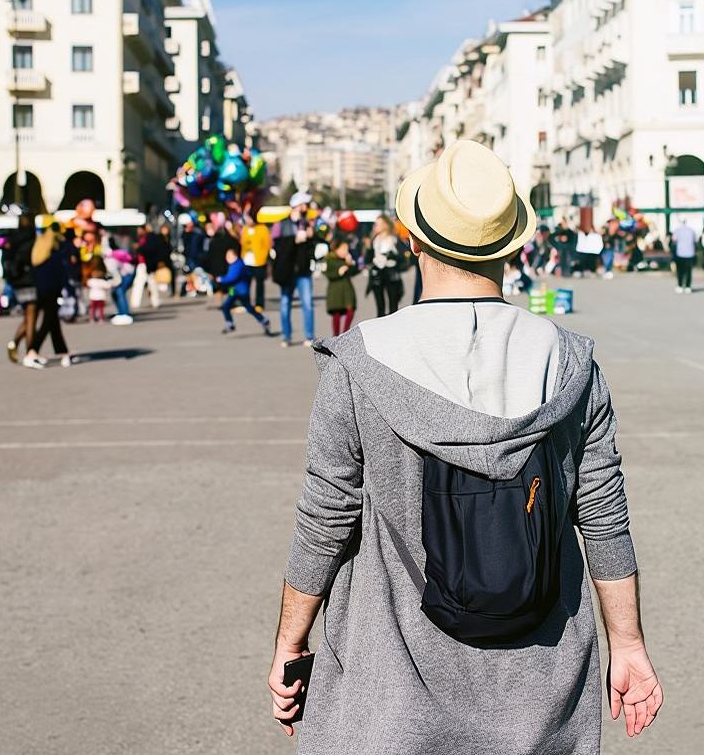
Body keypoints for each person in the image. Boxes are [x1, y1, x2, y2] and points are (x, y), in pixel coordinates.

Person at [268, 140, 661, 753]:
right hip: (537, 696)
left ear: (416, 242)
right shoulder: (572, 365)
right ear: (513, 246)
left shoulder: (359, 361)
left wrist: (291, 643)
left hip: (387, 695)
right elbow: (604, 517)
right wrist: (629, 645)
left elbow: (326, 519)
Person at [26, 220, 73, 369]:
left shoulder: (39, 249)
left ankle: (62, 351)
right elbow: (62, 272)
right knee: (48, 321)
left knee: (53, 322)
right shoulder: (54, 251)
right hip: (52, 290)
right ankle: (32, 352)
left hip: (40, 290)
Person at [272, 194, 317, 348]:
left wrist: (311, 236)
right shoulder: (281, 225)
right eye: (305, 204)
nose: (307, 207)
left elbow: (313, 246)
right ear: (298, 205)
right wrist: (294, 239)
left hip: (303, 270)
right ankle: (286, 336)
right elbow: (276, 246)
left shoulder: (307, 223)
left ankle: (309, 336)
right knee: (285, 303)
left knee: (308, 303)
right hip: (287, 271)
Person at [3, 213, 38, 361]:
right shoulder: (32, 238)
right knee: (31, 317)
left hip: (17, 282)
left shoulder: (11, 239)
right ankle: (30, 352)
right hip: (30, 280)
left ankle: (15, 343)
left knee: (29, 316)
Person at [216, 243, 272, 336]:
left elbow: (232, 277)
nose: (227, 258)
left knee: (245, 307)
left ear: (234, 256)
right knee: (227, 305)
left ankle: (263, 320)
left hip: (241, 291)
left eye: (229, 256)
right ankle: (230, 323)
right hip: (233, 289)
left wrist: (221, 279)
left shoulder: (237, 265)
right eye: (226, 256)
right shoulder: (233, 265)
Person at [365, 214, 405, 317]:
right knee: (380, 305)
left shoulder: (393, 239)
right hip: (378, 272)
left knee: (393, 304)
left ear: (385, 225)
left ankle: (393, 325)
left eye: (378, 224)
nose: (375, 226)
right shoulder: (375, 239)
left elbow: (403, 256)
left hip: (391, 272)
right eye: (375, 224)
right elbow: (368, 259)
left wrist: (391, 257)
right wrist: (369, 248)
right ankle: (380, 323)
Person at [323, 238, 358, 336]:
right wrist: (338, 272)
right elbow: (327, 274)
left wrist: (350, 263)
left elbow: (354, 272)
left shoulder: (347, 260)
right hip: (335, 291)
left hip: (347, 289)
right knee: (336, 314)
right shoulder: (330, 260)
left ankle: (345, 332)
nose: (345, 252)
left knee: (350, 311)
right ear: (336, 249)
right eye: (343, 249)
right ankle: (336, 335)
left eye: (347, 249)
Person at [241, 213, 272, 312]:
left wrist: (265, 256)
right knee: (245, 283)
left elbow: (267, 244)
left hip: (259, 260)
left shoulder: (263, 229)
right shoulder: (244, 229)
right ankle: (245, 303)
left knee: (259, 283)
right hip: (246, 259)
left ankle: (259, 304)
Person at [130, 226, 164, 310]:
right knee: (140, 283)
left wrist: (139, 248)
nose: (138, 232)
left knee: (150, 284)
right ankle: (136, 303)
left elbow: (149, 250)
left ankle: (154, 301)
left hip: (148, 264)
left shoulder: (150, 239)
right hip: (142, 264)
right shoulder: (140, 239)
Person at [671, 218, 697, 293]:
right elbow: (695, 241)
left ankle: (680, 285)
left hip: (680, 253)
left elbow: (674, 240)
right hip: (690, 253)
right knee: (688, 271)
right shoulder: (691, 230)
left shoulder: (677, 230)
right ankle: (688, 286)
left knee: (680, 271)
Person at [85, 259, 113, 324]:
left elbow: (87, 284)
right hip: (100, 297)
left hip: (94, 297)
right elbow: (108, 286)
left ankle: (92, 318)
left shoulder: (91, 281)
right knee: (100, 309)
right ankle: (100, 318)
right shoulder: (102, 282)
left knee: (94, 309)